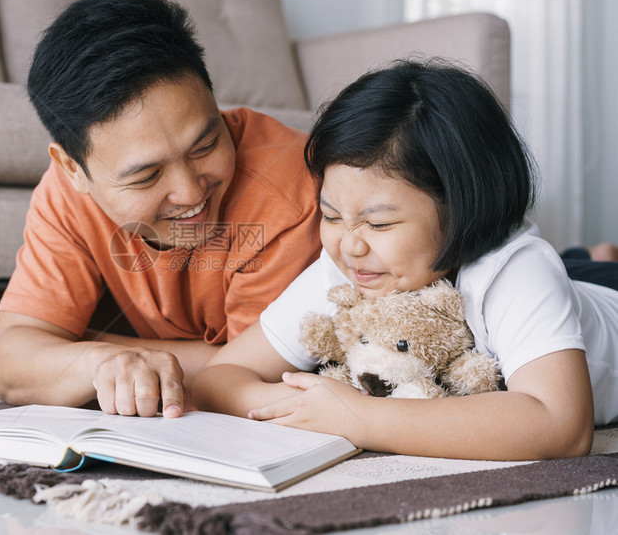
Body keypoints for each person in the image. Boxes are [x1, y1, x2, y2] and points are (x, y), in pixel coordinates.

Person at [193, 59, 618, 461]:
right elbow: (220, 377)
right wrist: (305, 405)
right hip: (570, 285)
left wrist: (358, 417)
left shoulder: (516, 270)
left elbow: (562, 426)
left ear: (463, 206)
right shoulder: (351, 261)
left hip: (606, 297)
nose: (350, 244)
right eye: (331, 215)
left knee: (570, 267)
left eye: (378, 224)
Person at [0, 0, 320, 417]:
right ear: (73, 169)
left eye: (206, 144)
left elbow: (248, 373)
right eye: (147, 176)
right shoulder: (66, 193)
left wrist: (77, 345)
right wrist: (98, 362)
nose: (191, 193)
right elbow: (4, 365)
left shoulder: (287, 193)